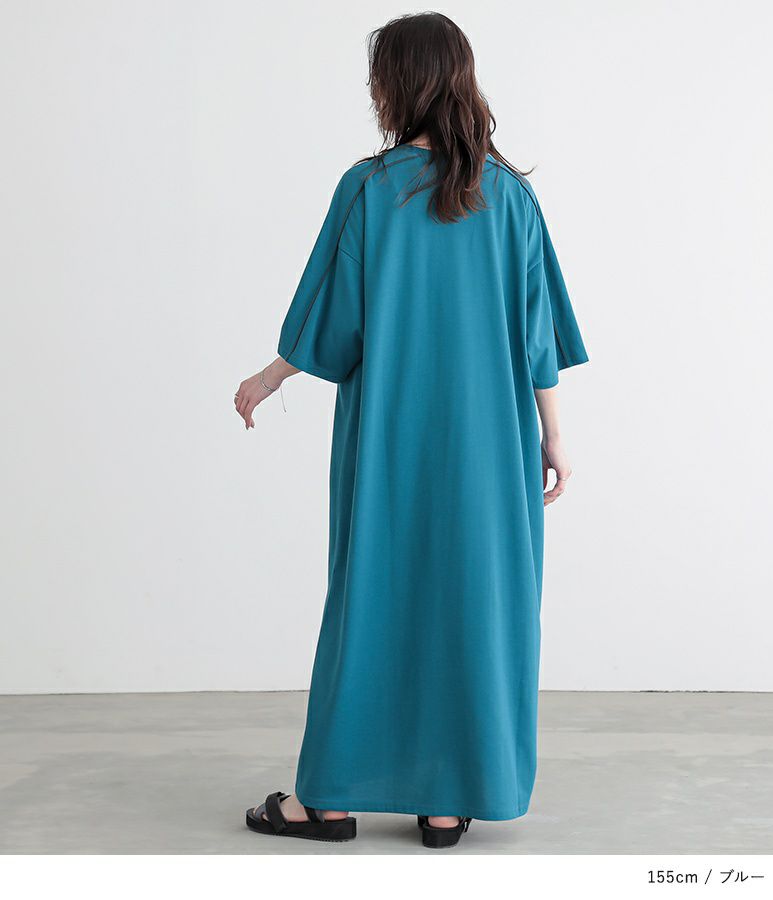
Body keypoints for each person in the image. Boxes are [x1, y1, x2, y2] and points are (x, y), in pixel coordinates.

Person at [235, 12, 588, 849]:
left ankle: (329, 802)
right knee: (477, 603)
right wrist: (553, 438)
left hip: (391, 439)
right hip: (493, 447)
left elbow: (333, 324)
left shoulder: (369, 188)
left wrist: (268, 377)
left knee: (372, 599)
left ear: (397, 85)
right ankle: (447, 802)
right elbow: (537, 342)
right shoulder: (512, 197)